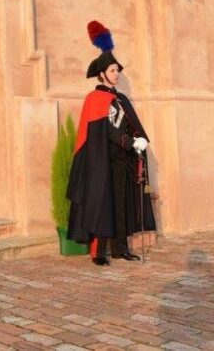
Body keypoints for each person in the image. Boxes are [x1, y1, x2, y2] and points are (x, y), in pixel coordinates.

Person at [66, 20, 157, 265]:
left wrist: (140, 141)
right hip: (102, 160)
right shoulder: (94, 99)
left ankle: (120, 248)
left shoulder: (121, 99)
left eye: (118, 70)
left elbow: (133, 124)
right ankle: (98, 252)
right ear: (102, 74)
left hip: (123, 160)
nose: (117, 74)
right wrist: (129, 141)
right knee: (102, 204)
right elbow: (103, 130)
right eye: (114, 71)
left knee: (122, 203)